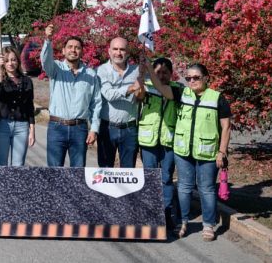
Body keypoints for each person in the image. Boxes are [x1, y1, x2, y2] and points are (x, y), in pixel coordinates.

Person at [142, 61, 231, 242]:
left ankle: (208, 224)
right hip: (183, 151)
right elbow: (160, 86)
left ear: (206, 78)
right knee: (183, 188)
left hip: (207, 152)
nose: (191, 81)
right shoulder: (182, 93)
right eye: (188, 77)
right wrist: (149, 68)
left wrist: (222, 151)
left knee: (206, 189)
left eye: (196, 77)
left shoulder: (217, 98)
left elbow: (226, 126)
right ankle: (182, 222)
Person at [40, 24, 101, 167]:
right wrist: (48, 40)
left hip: (79, 129)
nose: (73, 50)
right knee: (54, 173)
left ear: (82, 51)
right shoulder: (55, 69)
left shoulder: (91, 75)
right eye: (70, 47)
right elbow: (45, 61)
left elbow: (96, 103)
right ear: (63, 50)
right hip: (56, 128)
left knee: (78, 174)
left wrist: (94, 129)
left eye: (77, 47)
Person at [138, 57, 180, 231]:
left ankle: (167, 214)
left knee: (166, 179)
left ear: (171, 74)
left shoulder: (178, 89)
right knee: (149, 178)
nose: (162, 75)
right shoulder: (146, 86)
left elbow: (164, 91)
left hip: (168, 141)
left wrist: (150, 70)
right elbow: (137, 96)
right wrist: (142, 74)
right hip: (148, 140)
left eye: (165, 72)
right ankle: (149, 213)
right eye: (158, 72)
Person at [96, 37, 144, 168]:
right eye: (115, 49)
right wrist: (131, 88)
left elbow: (142, 95)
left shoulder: (137, 71)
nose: (118, 53)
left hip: (129, 129)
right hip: (107, 128)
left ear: (127, 52)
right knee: (105, 171)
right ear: (109, 51)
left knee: (128, 172)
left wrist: (146, 70)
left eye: (122, 49)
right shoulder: (102, 70)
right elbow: (109, 95)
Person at [0, 46, 35, 166]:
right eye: (6, 60)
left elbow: (30, 106)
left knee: (18, 166)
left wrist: (32, 130)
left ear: (18, 61)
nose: (10, 63)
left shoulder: (26, 81)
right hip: (1, 125)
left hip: (22, 127)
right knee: (0, 166)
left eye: (13, 60)